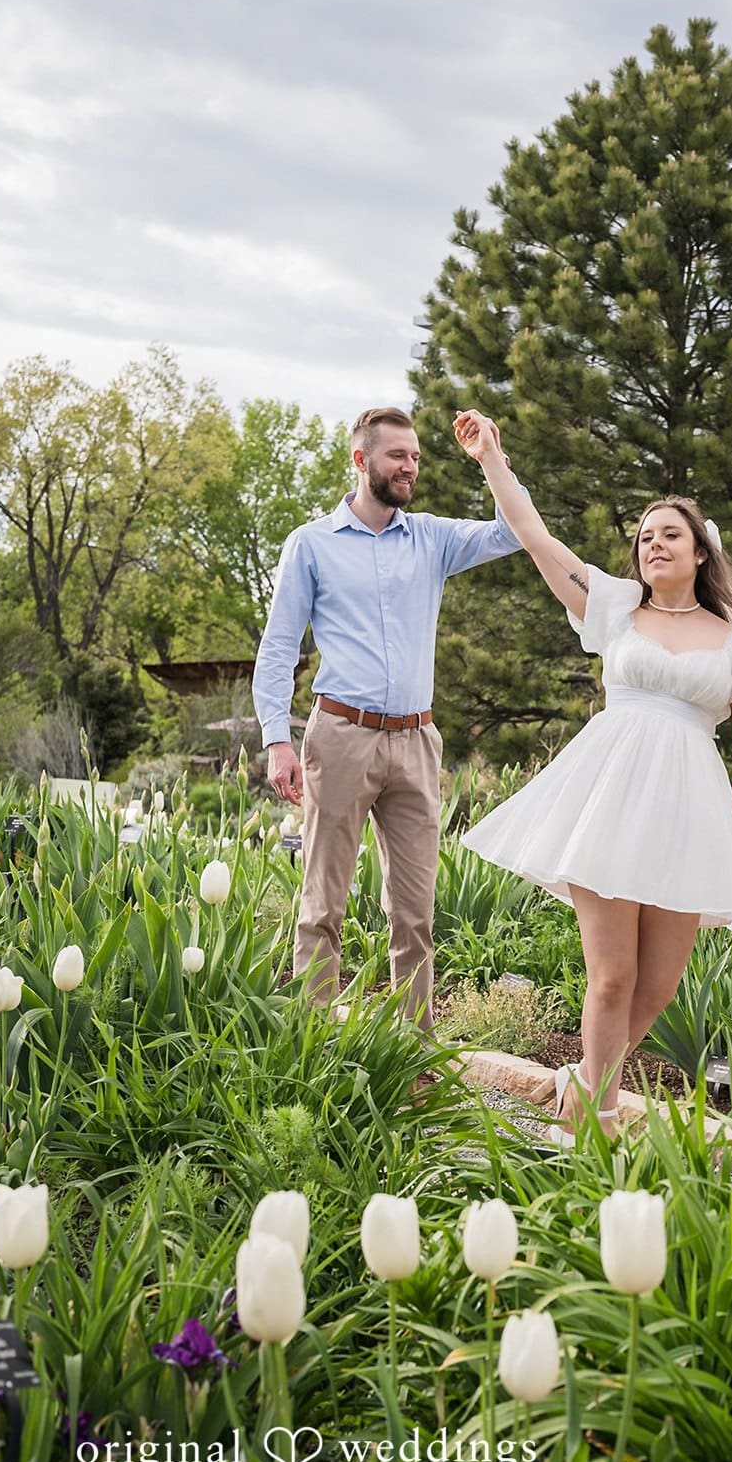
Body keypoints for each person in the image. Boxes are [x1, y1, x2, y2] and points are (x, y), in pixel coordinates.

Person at [453, 409, 732, 1144]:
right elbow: (537, 538)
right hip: (608, 800)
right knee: (610, 978)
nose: (653, 544)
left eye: (669, 533)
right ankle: (595, 1124)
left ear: (701, 552)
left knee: (658, 987)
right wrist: (493, 459)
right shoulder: (615, 609)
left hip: (688, 813)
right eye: (644, 535)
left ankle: (582, 1078)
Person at [252, 405, 525, 1027]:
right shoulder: (311, 545)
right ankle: (312, 1041)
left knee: (416, 911)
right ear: (361, 460)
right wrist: (277, 740)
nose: (411, 467)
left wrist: (491, 457)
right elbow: (277, 648)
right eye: (398, 455)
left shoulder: (431, 538)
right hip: (340, 735)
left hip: (415, 739)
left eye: (417, 457)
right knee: (323, 903)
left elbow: (511, 531)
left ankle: (412, 1053)